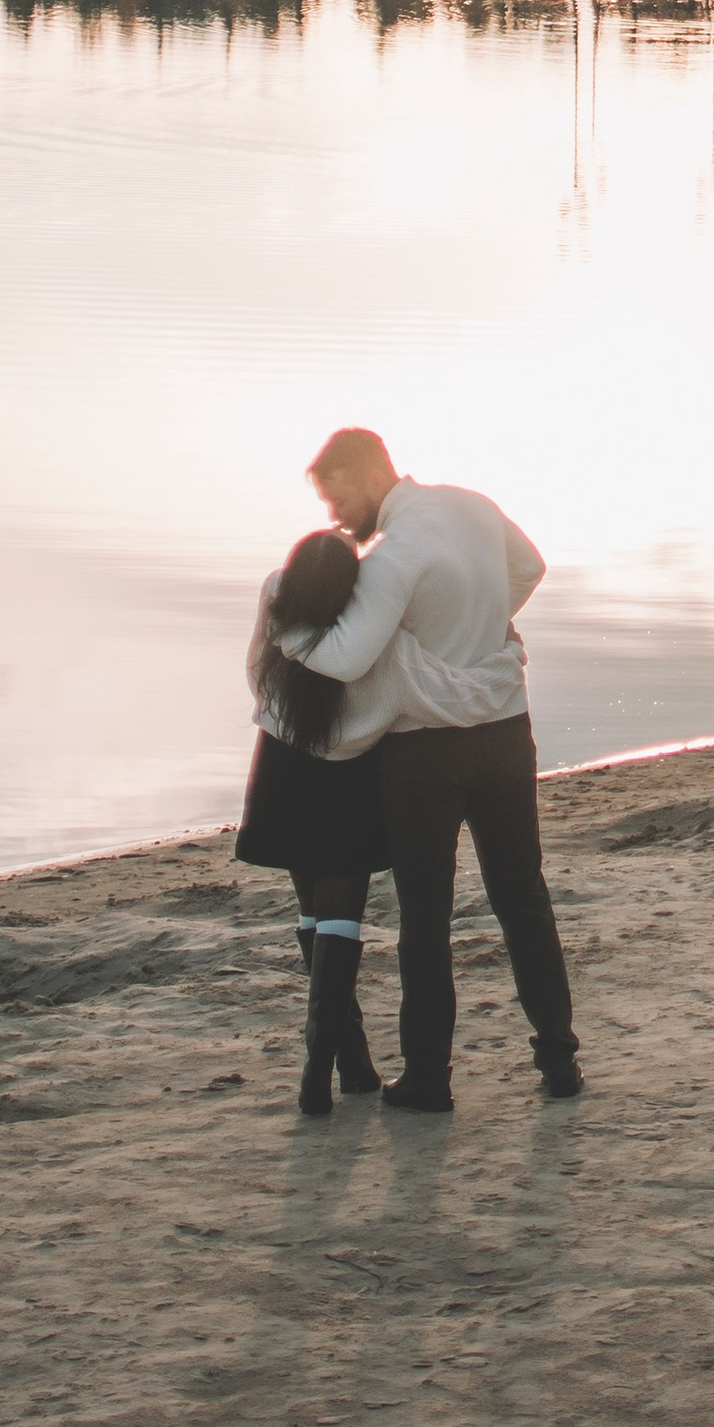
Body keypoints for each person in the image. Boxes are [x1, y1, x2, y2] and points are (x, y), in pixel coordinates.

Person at [292, 425, 581, 1114]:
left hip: (425, 750)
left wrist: (285, 628)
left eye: (338, 499)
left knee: (426, 916)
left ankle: (429, 1078)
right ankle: (559, 1059)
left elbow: (347, 660)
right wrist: (476, 627)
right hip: (504, 731)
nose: (336, 518)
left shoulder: (392, 557)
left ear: (370, 476)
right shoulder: (472, 505)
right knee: (522, 895)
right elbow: (530, 567)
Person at [235, 529, 391, 1115]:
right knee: (341, 914)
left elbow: (256, 668)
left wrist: (279, 716)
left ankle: (342, 1065)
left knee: (313, 910)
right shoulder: (369, 607)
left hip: (284, 759)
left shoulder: (278, 591)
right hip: (352, 766)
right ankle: (328, 1066)